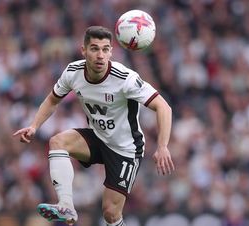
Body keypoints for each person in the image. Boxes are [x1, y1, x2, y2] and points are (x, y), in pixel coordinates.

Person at [13, 26, 175, 226]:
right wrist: (34, 126)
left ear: (111, 52)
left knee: (110, 214)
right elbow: (52, 100)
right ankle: (66, 206)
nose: (100, 55)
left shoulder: (125, 79)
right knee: (57, 141)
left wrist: (162, 146)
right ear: (83, 50)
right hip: (98, 137)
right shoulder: (73, 72)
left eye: (105, 49)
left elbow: (163, 107)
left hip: (126, 149)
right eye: (95, 49)